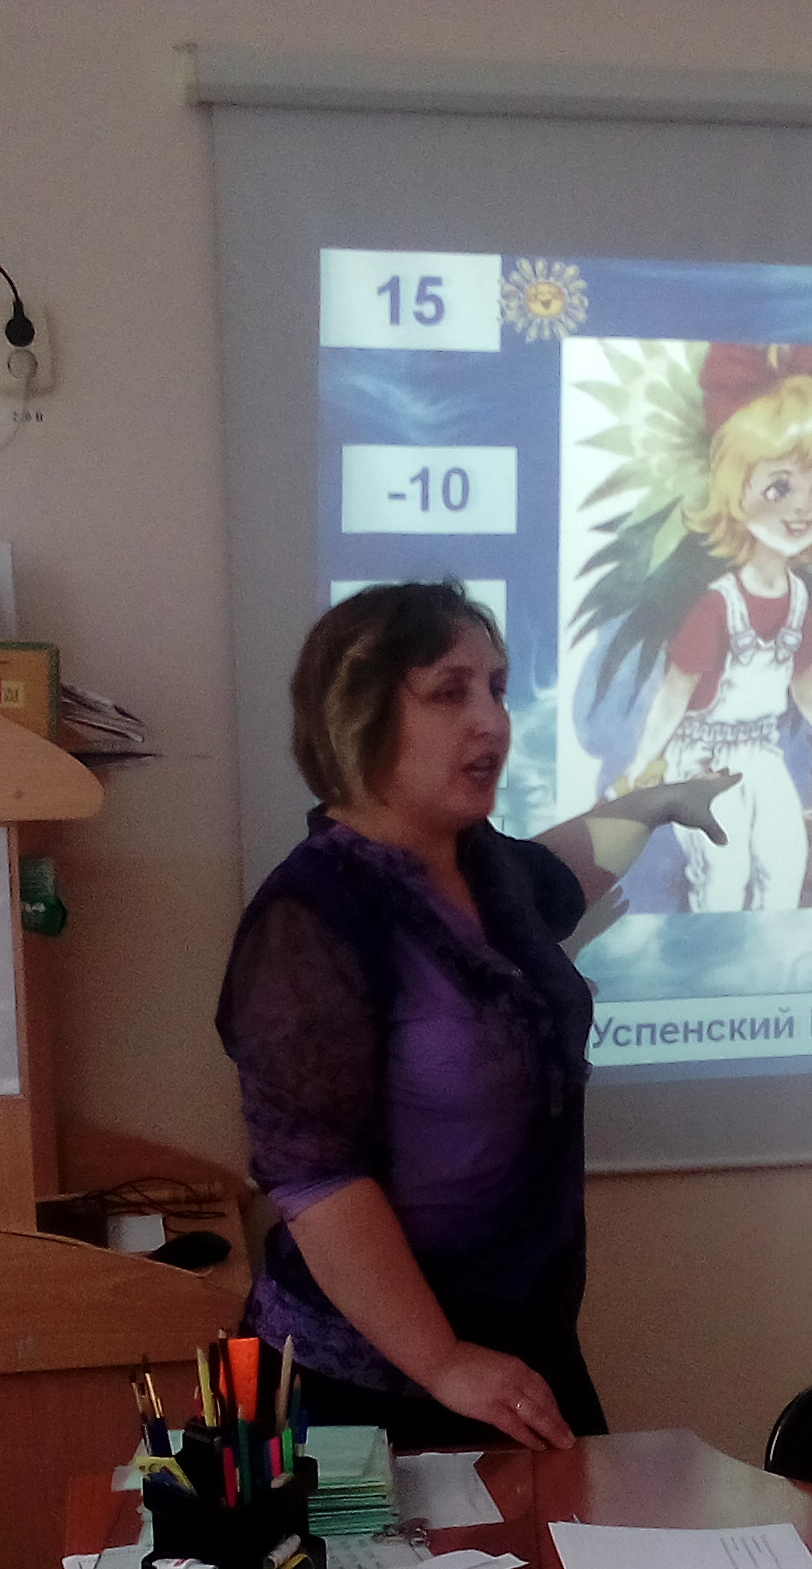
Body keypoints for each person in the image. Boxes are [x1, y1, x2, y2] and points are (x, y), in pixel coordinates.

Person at [218, 581, 729, 1449]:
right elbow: (317, 1183)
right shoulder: (311, 919)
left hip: (519, 1354)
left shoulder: (483, 864)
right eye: (449, 693)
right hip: (367, 1388)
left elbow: (564, 870)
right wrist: (445, 1361)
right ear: (357, 715)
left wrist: (655, 804)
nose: (491, 721)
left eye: (495, 688)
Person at [617, 343, 812, 911]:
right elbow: (675, 691)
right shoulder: (717, 606)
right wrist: (643, 763)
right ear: (735, 492)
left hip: (762, 752)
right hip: (702, 759)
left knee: (786, 861)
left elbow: (803, 682)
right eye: (779, 487)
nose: (805, 508)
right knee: (723, 876)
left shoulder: (799, 599)